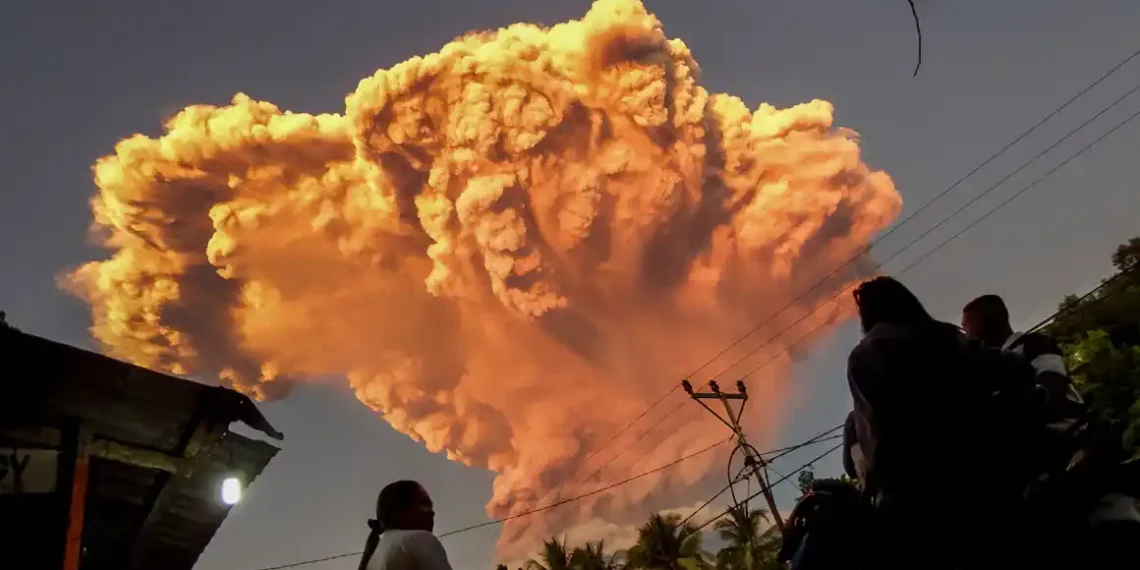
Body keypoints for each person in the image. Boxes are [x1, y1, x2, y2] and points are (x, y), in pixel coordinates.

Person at [847, 277, 1036, 569]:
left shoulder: (863, 359)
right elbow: (1014, 371)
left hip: (915, 515)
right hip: (984, 491)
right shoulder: (942, 338)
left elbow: (873, 450)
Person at [961, 294, 1084, 429]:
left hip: (1064, 430)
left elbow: (1052, 380)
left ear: (987, 323)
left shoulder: (1033, 343)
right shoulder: (987, 363)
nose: (966, 336)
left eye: (967, 327)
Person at [359, 480, 453, 570]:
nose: (432, 512)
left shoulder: (373, 560)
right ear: (400, 509)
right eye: (424, 503)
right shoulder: (418, 539)